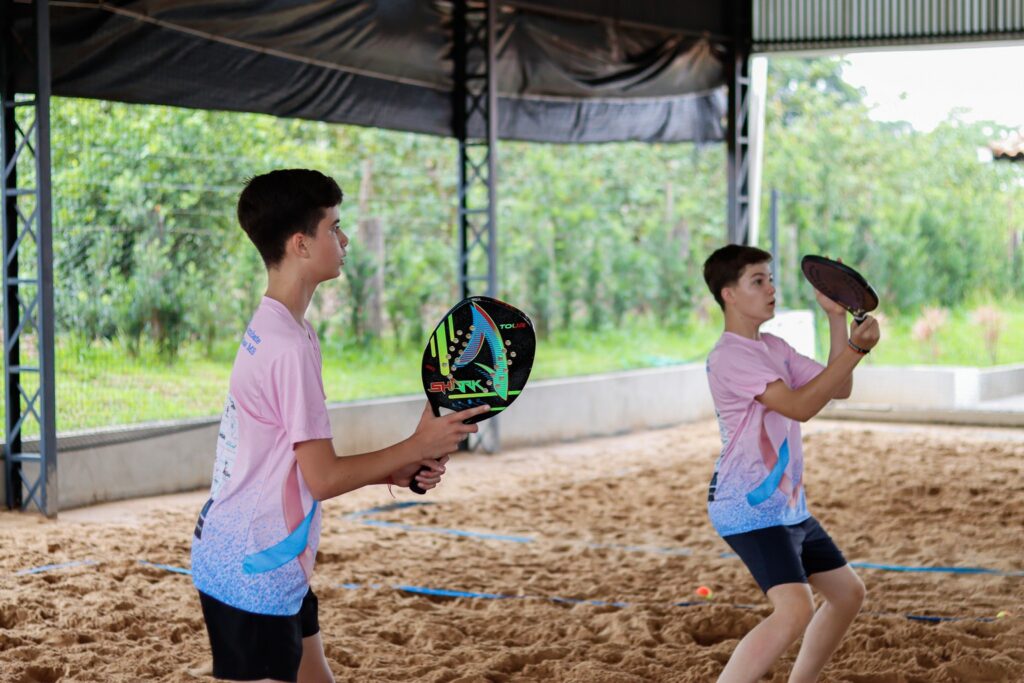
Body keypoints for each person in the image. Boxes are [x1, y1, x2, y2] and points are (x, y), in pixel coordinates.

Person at [190, 169, 487, 682]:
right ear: (301, 244)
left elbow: (298, 465)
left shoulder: (286, 328)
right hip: (253, 568)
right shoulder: (287, 345)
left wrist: (393, 469)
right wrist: (417, 444)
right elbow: (323, 478)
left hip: (266, 557)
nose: (345, 239)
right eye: (334, 227)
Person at [702, 244, 879, 682]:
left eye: (770, 279)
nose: (771, 289)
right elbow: (800, 407)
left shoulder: (774, 346)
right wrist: (856, 349)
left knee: (847, 594)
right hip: (748, 507)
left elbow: (838, 387)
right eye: (757, 281)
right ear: (728, 294)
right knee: (795, 610)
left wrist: (836, 318)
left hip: (787, 506)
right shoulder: (730, 356)